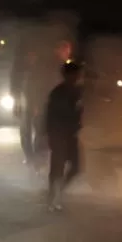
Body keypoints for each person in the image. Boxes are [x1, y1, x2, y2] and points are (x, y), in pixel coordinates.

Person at [12, 38, 73, 171]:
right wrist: (35, 104)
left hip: (42, 103)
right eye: (66, 50)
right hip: (36, 102)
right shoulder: (50, 64)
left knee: (39, 132)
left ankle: (37, 159)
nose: (68, 53)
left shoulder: (59, 64)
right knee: (33, 131)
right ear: (58, 50)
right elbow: (38, 85)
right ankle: (34, 159)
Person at [45, 60, 84, 211]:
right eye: (76, 74)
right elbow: (52, 115)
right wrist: (49, 135)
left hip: (70, 134)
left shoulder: (77, 91)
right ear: (68, 75)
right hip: (59, 134)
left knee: (77, 166)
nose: (78, 76)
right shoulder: (58, 92)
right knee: (57, 167)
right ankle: (51, 197)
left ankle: (58, 191)